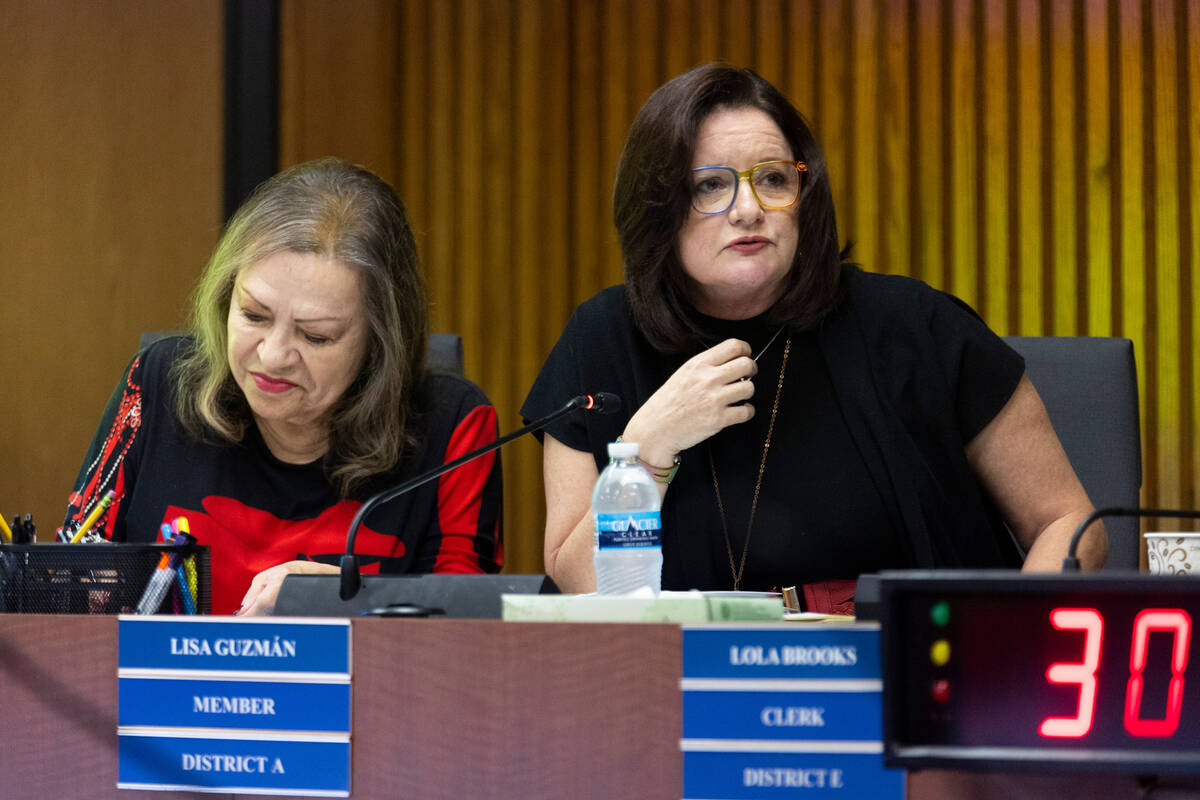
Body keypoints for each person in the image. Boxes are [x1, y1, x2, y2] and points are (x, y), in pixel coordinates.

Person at [521, 63, 1105, 606]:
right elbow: (579, 586)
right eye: (709, 186)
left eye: (773, 179)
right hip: (674, 689)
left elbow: (1067, 522)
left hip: (901, 679)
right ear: (657, 205)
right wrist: (646, 452)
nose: (748, 209)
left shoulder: (915, 327)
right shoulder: (599, 339)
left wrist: (1010, 648)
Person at [62, 158, 503, 615]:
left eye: (315, 336)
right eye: (254, 315)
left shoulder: (454, 427)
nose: (272, 356)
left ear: (379, 344)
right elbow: (66, 583)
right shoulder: (158, 384)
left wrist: (346, 600)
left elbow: (468, 629)